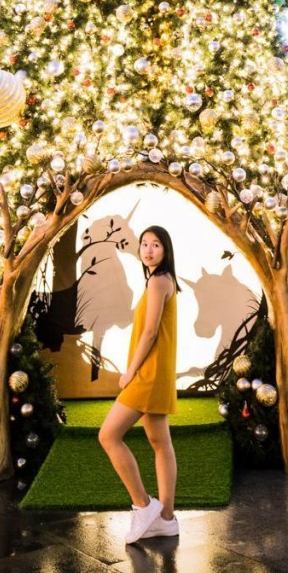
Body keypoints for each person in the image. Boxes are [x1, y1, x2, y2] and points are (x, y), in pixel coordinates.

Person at [98, 225, 180, 546]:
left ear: (166, 250)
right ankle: (167, 519)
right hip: (157, 373)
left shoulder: (159, 281)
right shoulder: (160, 281)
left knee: (108, 435)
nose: (147, 250)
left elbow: (149, 333)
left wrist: (129, 371)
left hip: (148, 373)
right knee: (160, 441)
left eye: (155, 245)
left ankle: (143, 506)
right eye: (144, 244)